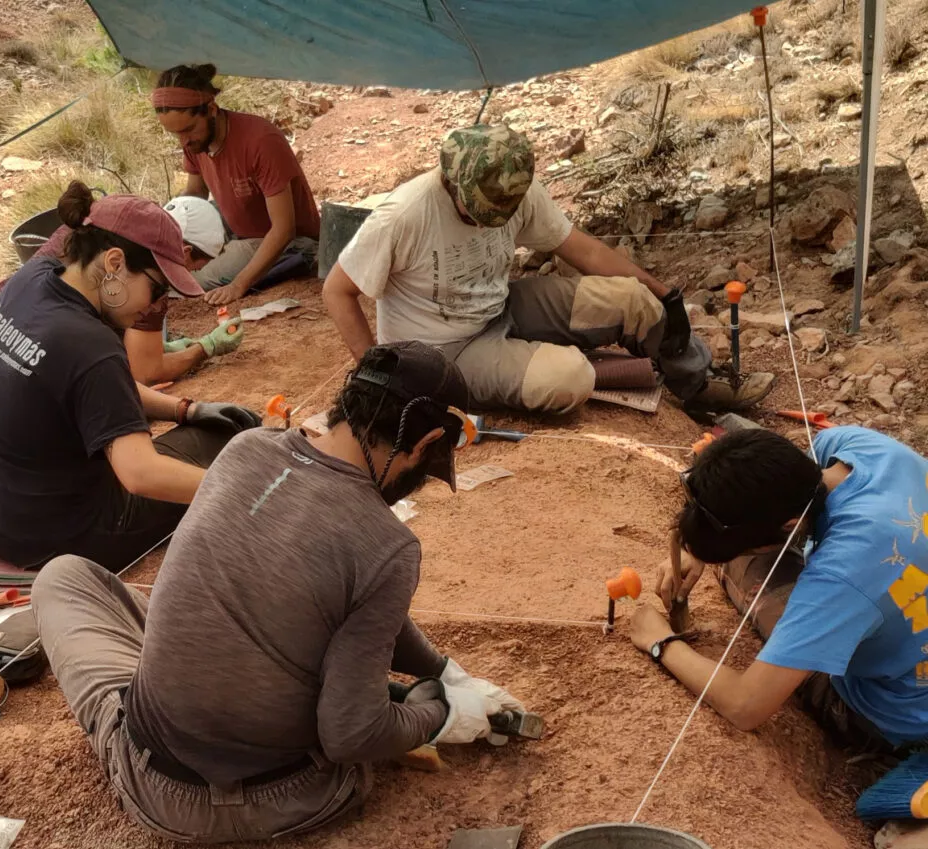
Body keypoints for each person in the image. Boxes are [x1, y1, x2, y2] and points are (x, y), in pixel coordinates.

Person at [30, 340, 526, 842]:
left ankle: (374, 696)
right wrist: (440, 712)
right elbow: (351, 734)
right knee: (355, 707)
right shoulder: (388, 545)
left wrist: (438, 668)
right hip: (279, 796)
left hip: (151, 767)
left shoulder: (248, 448)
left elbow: (354, 597)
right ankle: (391, 705)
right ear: (425, 444)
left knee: (62, 577)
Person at [323, 124, 774, 415]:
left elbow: (588, 254)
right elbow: (337, 291)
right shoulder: (404, 215)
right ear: (451, 181)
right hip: (443, 349)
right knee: (569, 377)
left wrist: (664, 295)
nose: (493, 217)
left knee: (637, 301)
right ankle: (592, 368)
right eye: (480, 209)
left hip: (503, 307)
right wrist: (381, 376)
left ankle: (698, 387)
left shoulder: (514, 189)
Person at [0, 182, 262, 572]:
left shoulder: (33, 278)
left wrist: (186, 409)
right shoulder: (91, 345)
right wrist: (235, 490)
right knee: (231, 443)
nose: (157, 304)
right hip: (55, 535)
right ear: (114, 263)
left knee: (202, 431)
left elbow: (80, 388)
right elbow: (139, 473)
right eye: (157, 287)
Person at [630, 427, 928, 755]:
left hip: (902, 714)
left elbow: (745, 706)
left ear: (790, 526)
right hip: (898, 574)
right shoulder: (852, 443)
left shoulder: (840, 578)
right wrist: (697, 547)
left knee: (746, 572)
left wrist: (660, 642)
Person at [0, 195, 242, 400]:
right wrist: (205, 348)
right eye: (196, 263)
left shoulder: (100, 225)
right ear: (181, 251)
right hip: (12, 377)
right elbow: (145, 372)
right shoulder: (146, 272)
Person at [153, 63, 321, 307]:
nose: (183, 141)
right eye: (175, 134)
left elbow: (284, 228)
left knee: (189, 283)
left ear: (211, 109)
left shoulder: (260, 141)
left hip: (290, 242)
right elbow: (195, 195)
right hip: (237, 231)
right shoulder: (195, 142)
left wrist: (238, 285)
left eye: (188, 130)